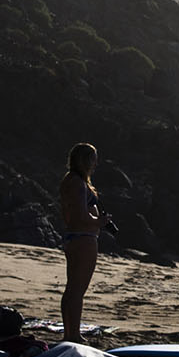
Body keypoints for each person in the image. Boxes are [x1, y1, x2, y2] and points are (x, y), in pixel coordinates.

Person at [59, 143, 112, 343]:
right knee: (77, 289)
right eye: (93, 159)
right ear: (85, 160)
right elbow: (81, 215)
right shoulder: (77, 183)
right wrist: (101, 222)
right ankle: (73, 334)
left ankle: (70, 332)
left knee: (72, 287)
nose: (96, 164)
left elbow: (71, 214)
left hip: (75, 237)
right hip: (84, 239)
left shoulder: (70, 181)